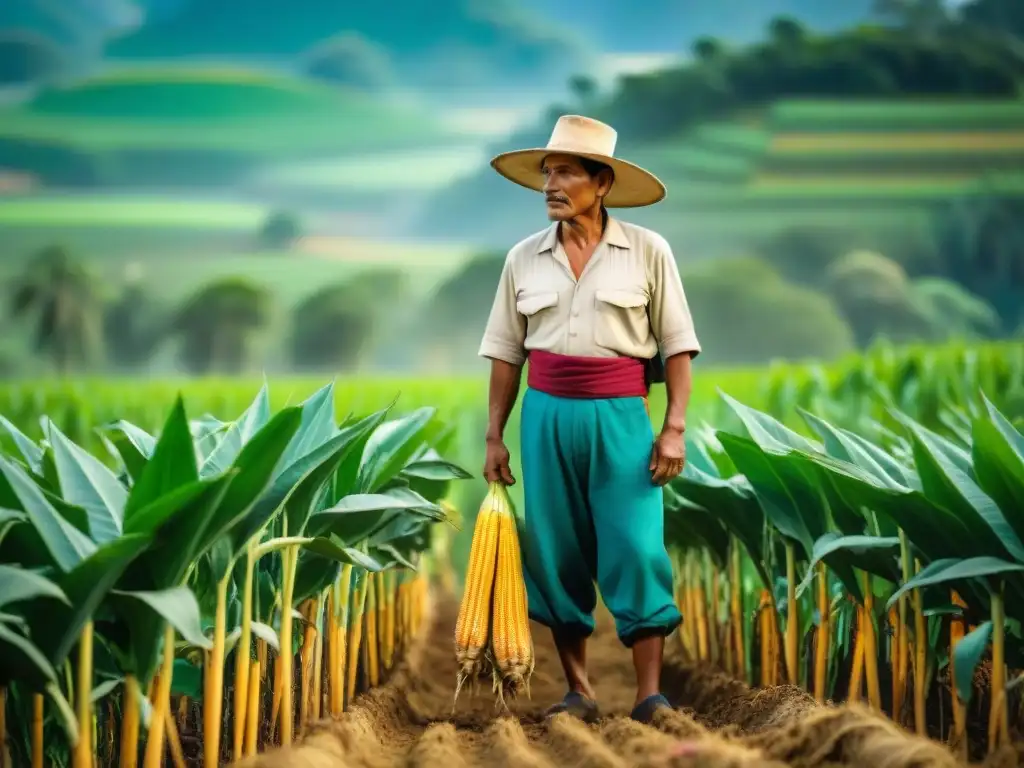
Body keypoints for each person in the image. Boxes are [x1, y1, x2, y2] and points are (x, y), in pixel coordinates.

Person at [478, 114, 701, 725]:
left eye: (566, 172)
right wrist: (495, 435)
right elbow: (505, 353)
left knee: (635, 543)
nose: (551, 183)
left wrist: (674, 427)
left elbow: (677, 346)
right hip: (546, 417)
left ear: (601, 183)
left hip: (623, 416)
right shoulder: (522, 259)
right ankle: (579, 689)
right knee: (556, 548)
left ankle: (649, 693)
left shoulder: (649, 252)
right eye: (547, 172)